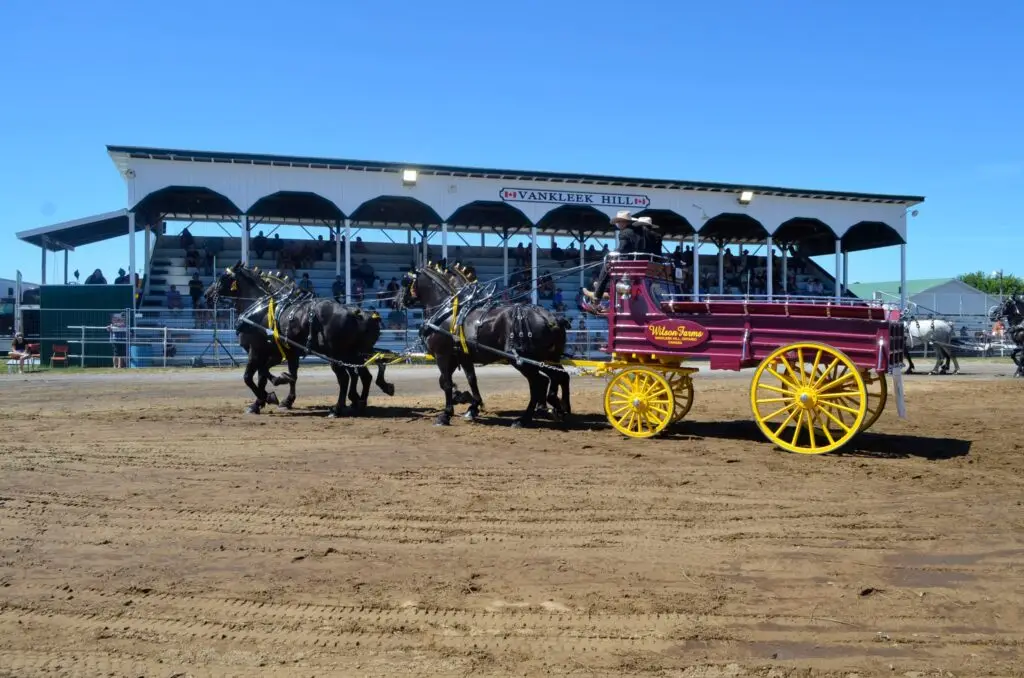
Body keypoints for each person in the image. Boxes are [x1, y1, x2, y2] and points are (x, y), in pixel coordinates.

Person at [581, 210, 647, 305]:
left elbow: (622, 248)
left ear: (623, 222)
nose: (617, 224)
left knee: (606, 266)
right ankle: (603, 287)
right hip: (635, 260)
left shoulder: (624, 233)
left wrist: (613, 253)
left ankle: (597, 296)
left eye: (619, 221)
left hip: (626, 262)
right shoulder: (636, 233)